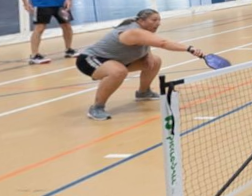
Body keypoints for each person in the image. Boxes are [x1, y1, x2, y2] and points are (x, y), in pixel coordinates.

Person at [75, 9, 206, 121]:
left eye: (159, 20)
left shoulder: (142, 31)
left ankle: (143, 92)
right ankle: (96, 108)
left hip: (118, 60)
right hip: (90, 60)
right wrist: (189, 48)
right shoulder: (133, 31)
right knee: (118, 72)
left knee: (155, 61)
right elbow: (162, 43)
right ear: (141, 21)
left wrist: (147, 53)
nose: (158, 23)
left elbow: (147, 41)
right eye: (153, 20)